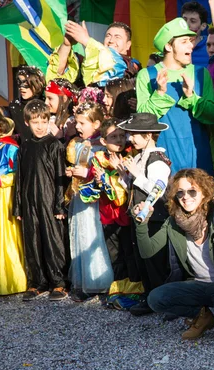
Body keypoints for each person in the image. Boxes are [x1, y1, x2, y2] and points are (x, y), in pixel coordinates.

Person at [135, 168, 214, 339]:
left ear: (204, 193)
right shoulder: (174, 221)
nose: (185, 197)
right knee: (155, 299)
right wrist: (142, 224)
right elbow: (147, 251)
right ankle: (202, 316)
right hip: (196, 284)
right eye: (180, 192)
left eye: (192, 191)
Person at [136, 18, 214, 175]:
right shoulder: (147, 75)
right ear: (168, 46)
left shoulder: (201, 74)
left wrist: (192, 97)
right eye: (184, 41)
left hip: (198, 159)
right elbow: (142, 122)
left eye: (191, 40)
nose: (191, 45)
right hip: (161, 162)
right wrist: (159, 93)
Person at [117, 113, 172, 316]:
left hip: (154, 218)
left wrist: (138, 175)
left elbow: (159, 190)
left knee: (155, 261)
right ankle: (150, 296)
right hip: (139, 216)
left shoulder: (157, 160)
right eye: (131, 134)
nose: (131, 138)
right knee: (143, 259)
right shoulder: (141, 157)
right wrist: (125, 175)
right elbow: (135, 188)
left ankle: (160, 300)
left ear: (149, 135)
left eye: (136, 134)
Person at [13, 100, 67, 301]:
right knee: (33, 241)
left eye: (43, 121)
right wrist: (18, 206)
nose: (39, 126)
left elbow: (61, 176)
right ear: (27, 122)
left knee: (53, 241)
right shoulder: (25, 146)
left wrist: (59, 204)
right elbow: (20, 178)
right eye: (35, 122)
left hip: (49, 198)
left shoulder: (54, 145)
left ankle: (58, 282)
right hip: (29, 200)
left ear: (49, 121)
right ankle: (37, 281)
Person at [92, 118, 143, 310]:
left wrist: (112, 174)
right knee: (114, 253)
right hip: (108, 213)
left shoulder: (132, 156)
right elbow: (93, 185)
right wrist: (98, 179)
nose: (119, 140)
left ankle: (135, 289)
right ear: (104, 141)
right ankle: (119, 288)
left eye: (122, 136)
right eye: (114, 137)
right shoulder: (98, 158)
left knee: (130, 252)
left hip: (127, 213)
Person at [65, 102, 114, 301]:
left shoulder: (102, 147)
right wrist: (73, 172)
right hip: (80, 197)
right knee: (80, 234)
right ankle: (83, 280)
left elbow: (106, 173)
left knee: (95, 234)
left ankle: (99, 279)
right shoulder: (77, 144)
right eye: (77, 122)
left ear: (96, 124)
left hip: (95, 199)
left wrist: (86, 173)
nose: (77, 127)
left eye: (82, 123)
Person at [49, 21, 141, 86]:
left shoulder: (130, 66)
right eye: (108, 36)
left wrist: (86, 40)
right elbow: (57, 76)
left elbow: (111, 62)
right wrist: (66, 45)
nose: (111, 41)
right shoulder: (90, 60)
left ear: (128, 45)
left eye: (117, 37)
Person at [0, 107, 26, 295]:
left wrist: (0, 180)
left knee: (4, 239)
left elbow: (20, 175)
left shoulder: (9, 148)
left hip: (2, 199)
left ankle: (8, 281)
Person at [8, 66, 45, 143]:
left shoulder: (45, 104)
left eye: (26, 84)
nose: (21, 87)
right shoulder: (14, 106)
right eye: (19, 83)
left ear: (36, 84)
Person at [44, 78, 79, 143]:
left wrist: (61, 138)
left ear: (64, 98)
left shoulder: (71, 123)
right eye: (45, 98)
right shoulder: (49, 118)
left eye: (50, 98)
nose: (46, 102)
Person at [182, 1, 210, 67]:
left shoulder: (210, 46)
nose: (187, 25)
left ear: (203, 26)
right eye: (184, 20)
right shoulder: (172, 46)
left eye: (193, 21)